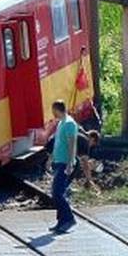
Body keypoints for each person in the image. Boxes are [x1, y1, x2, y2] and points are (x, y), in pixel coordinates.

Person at [48, 100, 78, 233]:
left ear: (57, 110)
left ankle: (69, 219)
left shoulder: (69, 123)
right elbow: (58, 143)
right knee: (57, 192)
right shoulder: (61, 123)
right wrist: (51, 158)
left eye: (53, 111)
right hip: (59, 161)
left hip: (65, 163)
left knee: (57, 193)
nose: (52, 113)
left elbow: (72, 144)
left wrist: (70, 163)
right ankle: (61, 221)